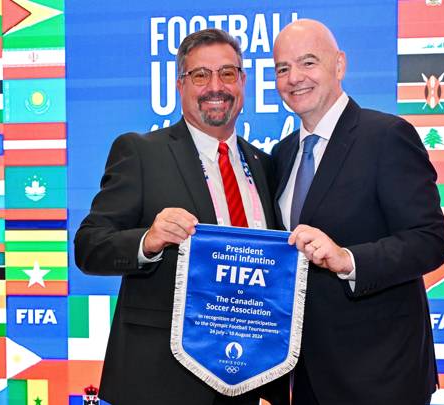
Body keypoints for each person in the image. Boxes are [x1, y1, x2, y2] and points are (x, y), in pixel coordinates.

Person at [74, 28, 286, 405]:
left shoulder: (265, 166)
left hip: (243, 381)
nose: (215, 86)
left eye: (227, 73)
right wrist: (147, 241)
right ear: (180, 85)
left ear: (243, 81)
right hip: (159, 382)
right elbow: (89, 246)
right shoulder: (141, 153)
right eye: (200, 75)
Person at [270, 19, 444, 404]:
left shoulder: (387, 136)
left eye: (308, 62)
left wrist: (347, 259)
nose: (294, 77)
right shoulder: (282, 155)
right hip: (304, 378)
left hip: (381, 376)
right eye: (283, 68)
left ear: (340, 65)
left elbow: (429, 241)